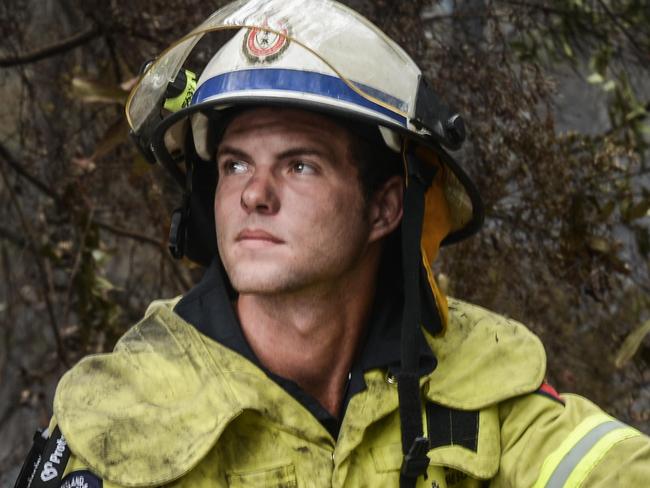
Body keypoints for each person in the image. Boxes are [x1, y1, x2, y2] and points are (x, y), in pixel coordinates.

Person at [14, 1, 650, 487]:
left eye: (299, 166)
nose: (254, 195)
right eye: (234, 165)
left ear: (384, 208)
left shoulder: (479, 380)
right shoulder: (120, 416)